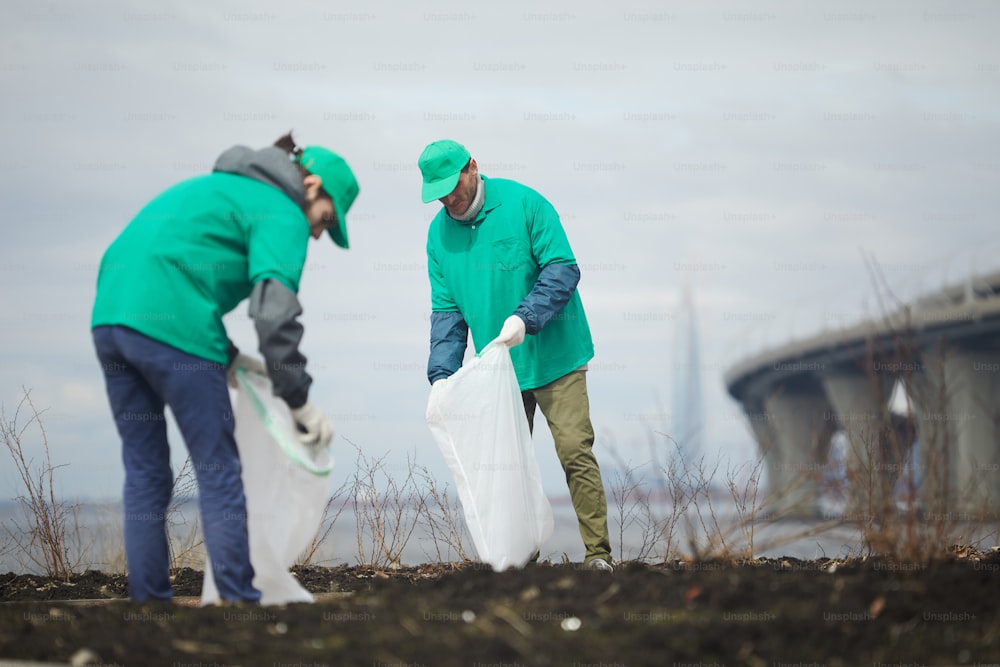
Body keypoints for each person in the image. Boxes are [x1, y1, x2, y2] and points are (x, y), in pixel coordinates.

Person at [91, 132, 359, 602]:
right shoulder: (282, 210)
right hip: (174, 327)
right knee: (218, 467)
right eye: (326, 220)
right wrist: (298, 399)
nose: (317, 233)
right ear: (311, 185)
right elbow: (274, 315)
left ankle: (150, 609)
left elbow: (178, 265)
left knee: (146, 472)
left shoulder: (215, 189)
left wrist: (231, 359)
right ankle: (238, 606)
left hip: (111, 318)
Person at [418, 139, 613, 571]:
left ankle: (598, 555)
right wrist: (442, 376)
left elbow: (563, 267)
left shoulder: (525, 203)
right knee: (505, 466)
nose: (450, 198)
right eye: (440, 193)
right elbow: (447, 311)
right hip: (500, 367)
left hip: (556, 356)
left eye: (454, 185)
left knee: (573, 449)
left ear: (472, 167)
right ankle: (520, 561)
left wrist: (526, 318)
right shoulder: (437, 235)